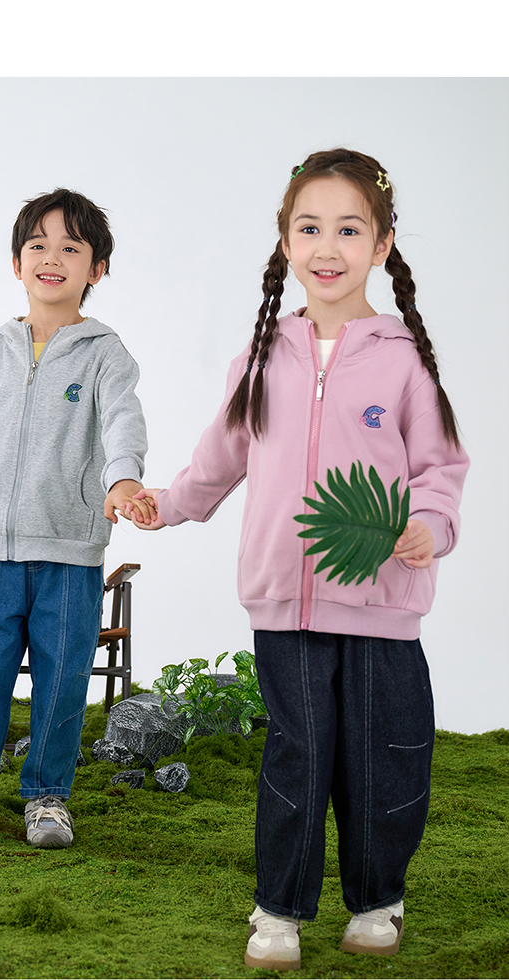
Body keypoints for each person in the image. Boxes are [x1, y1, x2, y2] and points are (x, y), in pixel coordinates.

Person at [131, 149, 469, 971]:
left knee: (383, 757)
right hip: (283, 598)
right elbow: (220, 460)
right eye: (310, 228)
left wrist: (430, 524)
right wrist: (167, 504)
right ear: (286, 243)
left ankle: (378, 901)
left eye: (349, 230)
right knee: (297, 753)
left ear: (382, 245)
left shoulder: (404, 359)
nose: (328, 246)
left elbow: (440, 469)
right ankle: (278, 909)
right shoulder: (261, 358)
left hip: (385, 597)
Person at [0, 187, 154, 850]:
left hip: (70, 554)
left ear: (97, 269)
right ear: (16, 262)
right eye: (38, 245)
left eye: (70, 248)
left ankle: (48, 797)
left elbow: (123, 422)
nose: (52, 258)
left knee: (62, 684)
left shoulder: (106, 354)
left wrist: (123, 477)